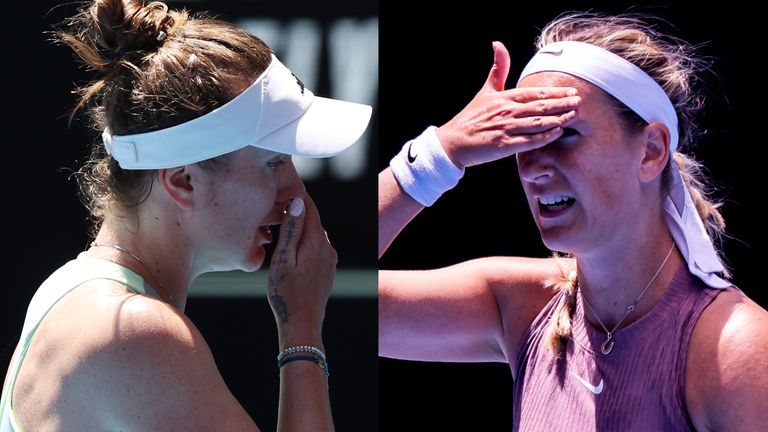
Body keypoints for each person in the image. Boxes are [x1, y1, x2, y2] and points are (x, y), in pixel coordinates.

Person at [379, 12, 768, 431]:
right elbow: (310, 291)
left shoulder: (736, 347)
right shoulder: (524, 305)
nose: (531, 168)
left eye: (563, 133)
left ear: (652, 150)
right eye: (524, 135)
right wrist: (441, 153)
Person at [0, 0, 371, 430]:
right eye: (273, 164)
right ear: (183, 182)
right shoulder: (135, 335)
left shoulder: (70, 293)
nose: (295, 192)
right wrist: (302, 331)